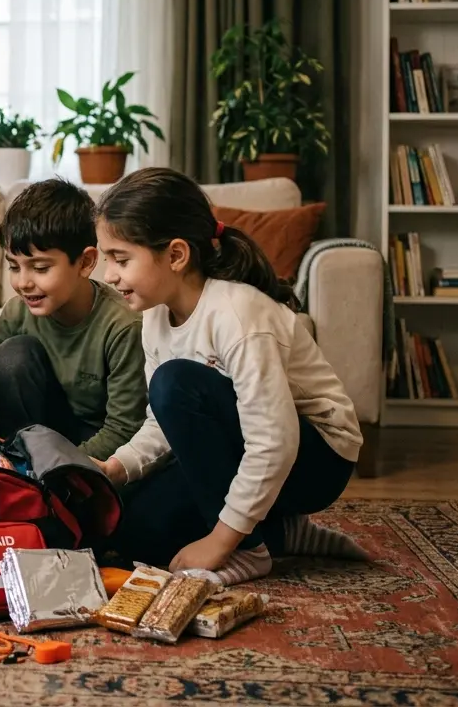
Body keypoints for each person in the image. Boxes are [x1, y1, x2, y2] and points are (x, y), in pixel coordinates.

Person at [94, 168, 367, 586]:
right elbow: (161, 423)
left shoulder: (238, 314)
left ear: (176, 255)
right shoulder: (154, 315)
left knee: (173, 382)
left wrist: (222, 541)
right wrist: (117, 467)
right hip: (254, 447)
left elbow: (275, 440)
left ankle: (250, 549)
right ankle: (279, 529)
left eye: (121, 259)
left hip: (317, 459)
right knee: (133, 534)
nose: (108, 275)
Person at [0, 178, 146, 459]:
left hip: (92, 448)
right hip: (27, 439)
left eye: (40, 268)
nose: (23, 282)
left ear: (85, 262)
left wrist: (63, 467)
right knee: (14, 355)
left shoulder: (122, 325)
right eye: (13, 266)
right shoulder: (15, 313)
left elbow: (123, 429)